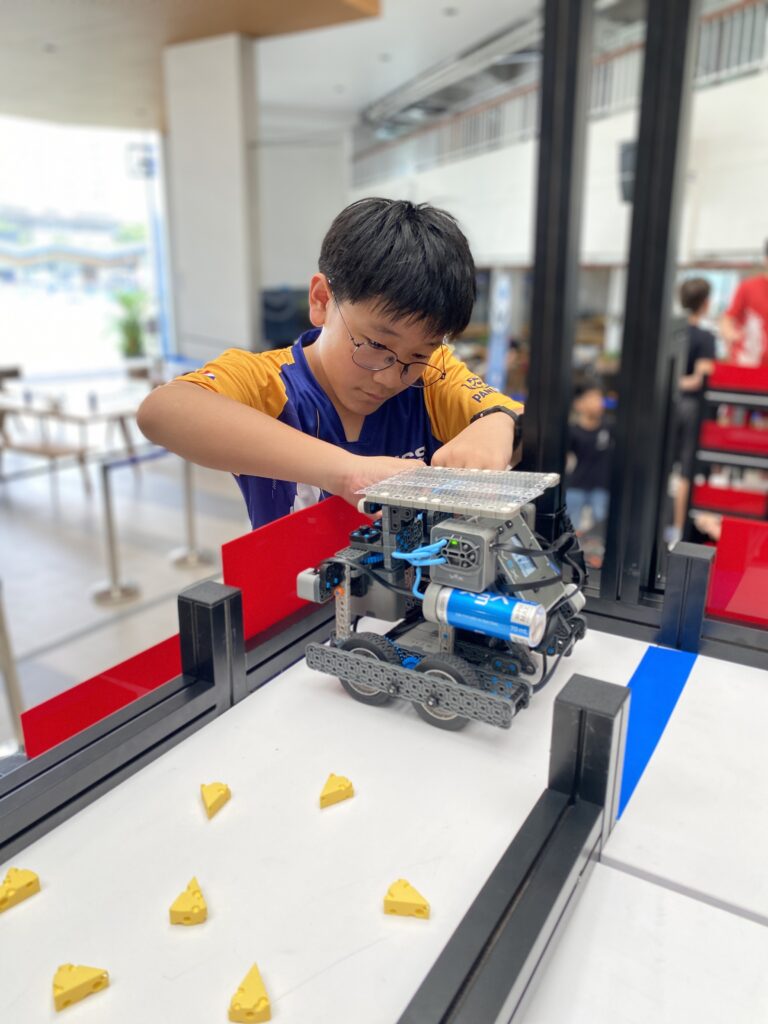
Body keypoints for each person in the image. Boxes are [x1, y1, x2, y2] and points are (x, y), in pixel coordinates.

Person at [138, 198, 523, 529]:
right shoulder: (270, 383)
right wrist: (347, 472)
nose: (392, 376)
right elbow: (163, 411)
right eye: (375, 345)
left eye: (419, 354)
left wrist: (496, 424)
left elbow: (511, 417)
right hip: (295, 608)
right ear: (322, 300)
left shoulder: (434, 377)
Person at [671, 277, 717, 539]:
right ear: (706, 303)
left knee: (663, 466)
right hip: (691, 407)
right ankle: (678, 530)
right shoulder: (706, 337)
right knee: (688, 471)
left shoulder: (673, 333)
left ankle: (661, 528)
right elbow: (702, 377)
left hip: (668, 404)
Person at [566, 383, 612, 534]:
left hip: (602, 487)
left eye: (599, 398)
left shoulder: (609, 427)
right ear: (579, 404)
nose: (598, 403)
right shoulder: (572, 431)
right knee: (571, 528)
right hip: (576, 484)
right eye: (592, 398)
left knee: (602, 527)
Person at [720, 239, 768, 367]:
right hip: (747, 363)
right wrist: (730, 334)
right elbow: (727, 319)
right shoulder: (748, 287)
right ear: (766, 259)